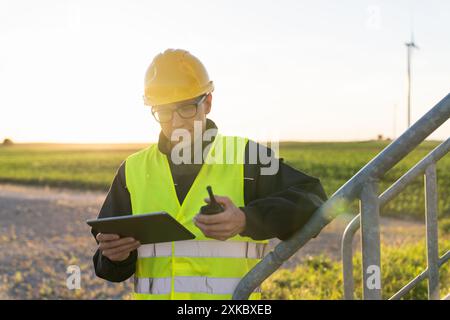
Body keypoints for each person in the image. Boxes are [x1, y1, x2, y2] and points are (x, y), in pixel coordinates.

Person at [91, 49, 328, 300]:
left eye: (186, 108)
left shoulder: (246, 157)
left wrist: (247, 219)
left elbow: (313, 198)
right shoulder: (132, 171)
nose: (176, 122)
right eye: (164, 112)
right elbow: (109, 266)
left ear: (207, 103)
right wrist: (115, 258)